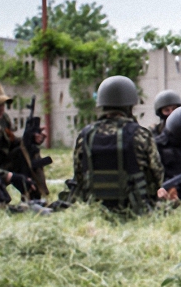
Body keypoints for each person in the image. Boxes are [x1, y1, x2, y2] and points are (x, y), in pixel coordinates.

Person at [65, 75, 163, 214]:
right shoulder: (141, 134)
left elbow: (79, 176)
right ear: (129, 106)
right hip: (135, 210)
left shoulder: (85, 135)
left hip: (94, 211)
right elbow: (157, 175)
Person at [0, 80, 48, 199]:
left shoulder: (3, 120)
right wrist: (10, 176)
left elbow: (12, 142)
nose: (1, 108)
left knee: (27, 150)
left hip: (1, 168)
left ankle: (36, 196)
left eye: (3, 104)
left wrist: (31, 139)